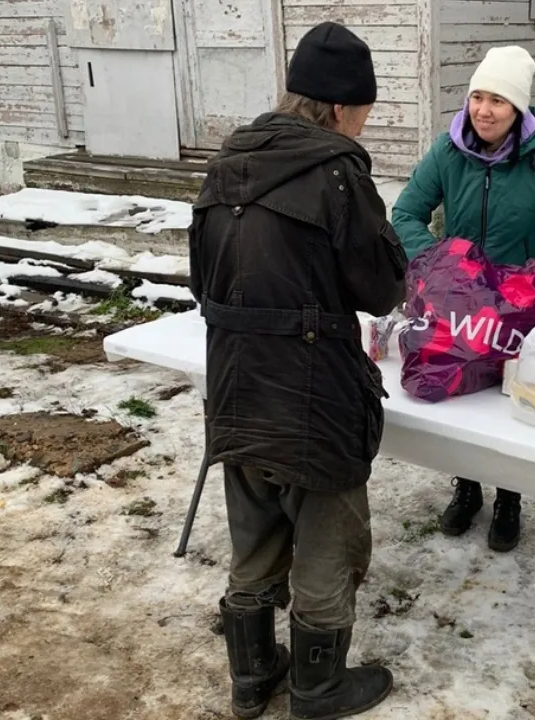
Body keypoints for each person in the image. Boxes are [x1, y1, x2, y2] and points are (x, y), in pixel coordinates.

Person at [187, 22, 408, 720]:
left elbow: (201, 282)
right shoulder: (338, 174)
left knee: (254, 530)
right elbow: (381, 288)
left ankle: (251, 677)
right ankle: (318, 688)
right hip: (315, 399)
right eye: (364, 111)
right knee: (326, 543)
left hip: (234, 385)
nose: (364, 124)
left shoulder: (225, 165)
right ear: (341, 107)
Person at [391, 45, 535, 553]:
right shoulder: (448, 151)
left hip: (512, 310)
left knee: (505, 404)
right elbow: (406, 213)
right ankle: (466, 488)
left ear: (517, 108)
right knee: (460, 395)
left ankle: (509, 499)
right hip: (454, 303)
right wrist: (437, 263)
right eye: (477, 97)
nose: (483, 110)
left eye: (497, 101)